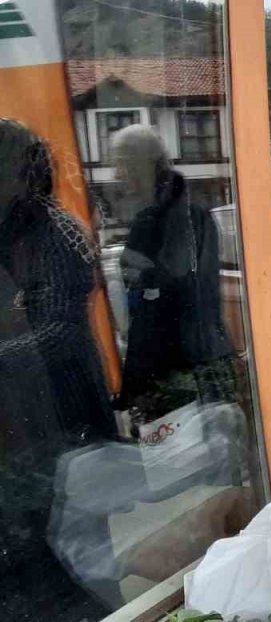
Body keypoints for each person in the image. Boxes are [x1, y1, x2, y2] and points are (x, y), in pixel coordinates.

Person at [0, 118, 115, 618]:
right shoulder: (14, 228)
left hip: (62, 405)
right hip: (26, 405)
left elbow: (60, 332)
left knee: (75, 539)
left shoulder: (56, 230)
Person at [113, 124, 234, 416]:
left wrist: (138, 388)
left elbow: (157, 312)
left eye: (121, 164)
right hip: (198, 365)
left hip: (176, 377)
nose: (118, 175)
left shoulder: (159, 221)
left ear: (141, 164)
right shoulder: (192, 212)